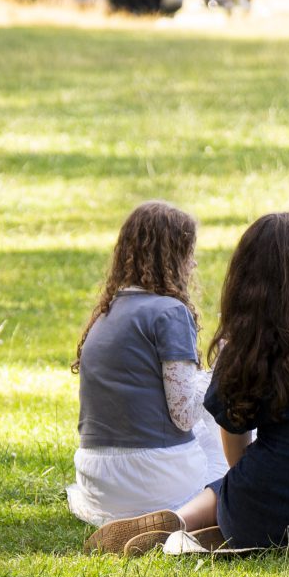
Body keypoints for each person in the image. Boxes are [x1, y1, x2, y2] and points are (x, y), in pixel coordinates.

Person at [87, 211, 289, 556]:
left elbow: (235, 438)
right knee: (249, 483)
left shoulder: (251, 342)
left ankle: (184, 520)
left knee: (233, 482)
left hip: (253, 513)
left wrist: (250, 490)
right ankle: (200, 524)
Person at [66, 200, 230, 526]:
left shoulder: (106, 314)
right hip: (151, 478)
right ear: (170, 258)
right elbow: (184, 415)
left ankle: (136, 520)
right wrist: (226, 369)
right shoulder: (169, 312)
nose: (193, 264)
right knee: (229, 426)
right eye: (188, 252)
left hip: (97, 482)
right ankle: (182, 519)